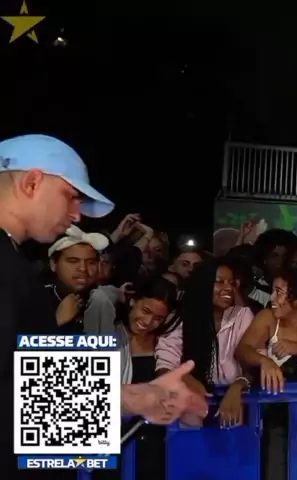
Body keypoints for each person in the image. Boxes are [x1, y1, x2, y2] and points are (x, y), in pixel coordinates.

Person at [0, 134, 207, 475]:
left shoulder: (13, 263)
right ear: (32, 183)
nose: (76, 215)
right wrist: (128, 399)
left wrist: (131, 398)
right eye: (71, 196)